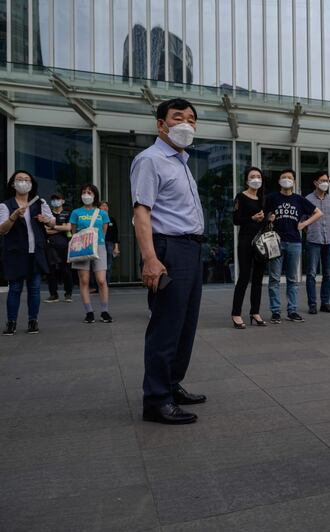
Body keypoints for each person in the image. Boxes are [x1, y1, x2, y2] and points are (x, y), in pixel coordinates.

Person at [130, 98, 207, 425]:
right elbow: (141, 212)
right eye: (179, 118)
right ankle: (156, 399)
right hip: (168, 248)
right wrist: (150, 258)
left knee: (185, 324)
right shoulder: (150, 160)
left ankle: (172, 384)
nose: (186, 125)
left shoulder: (181, 162)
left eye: (191, 120)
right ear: (161, 124)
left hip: (190, 248)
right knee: (165, 325)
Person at [0, 170, 55, 335]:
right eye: (19, 179)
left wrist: (47, 220)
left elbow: (52, 222)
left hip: (35, 252)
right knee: (15, 288)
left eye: (26, 179)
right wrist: (13, 217)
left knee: (34, 288)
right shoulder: (5, 206)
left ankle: (33, 320)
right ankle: (11, 322)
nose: (23, 182)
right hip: (15, 253)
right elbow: (1, 230)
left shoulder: (39, 202)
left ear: (31, 184)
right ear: (13, 184)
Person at [266, 169, 323, 324]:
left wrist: (304, 223)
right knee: (274, 279)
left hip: (294, 242)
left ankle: (292, 311)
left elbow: (318, 213)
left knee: (292, 279)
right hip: (275, 242)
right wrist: (268, 218)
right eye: (283, 177)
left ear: (294, 181)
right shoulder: (272, 198)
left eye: (289, 177)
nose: (286, 179)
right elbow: (263, 214)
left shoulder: (299, 199)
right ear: (279, 181)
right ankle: (276, 312)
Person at [231, 166, 269, 328]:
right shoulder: (240, 196)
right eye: (252, 176)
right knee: (244, 277)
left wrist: (267, 218)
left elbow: (266, 221)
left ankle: (255, 312)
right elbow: (236, 219)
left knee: (258, 279)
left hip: (261, 241)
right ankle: (236, 313)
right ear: (247, 180)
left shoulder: (263, 198)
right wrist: (252, 217)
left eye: (258, 176)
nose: (256, 179)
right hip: (246, 240)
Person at [69, 184, 112, 324]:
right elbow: (73, 231)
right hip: (82, 246)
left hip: (98, 246)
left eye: (89, 192)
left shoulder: (102, 213)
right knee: (84, 280)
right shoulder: (76, 212)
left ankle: (104, 311)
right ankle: (89, 312)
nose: (86, 195)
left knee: (101, 280)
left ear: (95, 196)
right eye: (84, 192)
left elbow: (104, 232)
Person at [305, 172, 330, 314]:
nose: (326, 183)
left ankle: (325, 303)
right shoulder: (307, 199)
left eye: (327, 180)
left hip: (328, 240)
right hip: (314, 241)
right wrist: (310, 231)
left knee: (327, 274)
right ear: (315, 182)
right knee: (311, 273)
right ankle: (312, 304)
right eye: (323, 180)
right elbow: (303, 220)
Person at [44, 193, 73, 303]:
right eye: (53, 199)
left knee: (66, 270)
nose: (55, 201)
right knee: (50, 270)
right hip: (50, 245)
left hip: (64, 245)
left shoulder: (67, 213)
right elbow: (46, 230)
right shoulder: (48, 215)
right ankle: (53, 294)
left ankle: (68, 294)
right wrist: (62, 228)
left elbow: (69, 227)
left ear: (63, 201)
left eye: (58, 199)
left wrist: (54, 227)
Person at [99, 201, 120, 284]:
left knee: (109, 264)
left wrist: (116, 247)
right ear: (99, 208)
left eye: (106, 206)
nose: (105, 207)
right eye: (103, 206)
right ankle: (98, 284)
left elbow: (115, 234)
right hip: (100, 243)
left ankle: (106, 283)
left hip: (110, 243)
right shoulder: (97, 219)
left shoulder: (112, 220)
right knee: (99, 264)